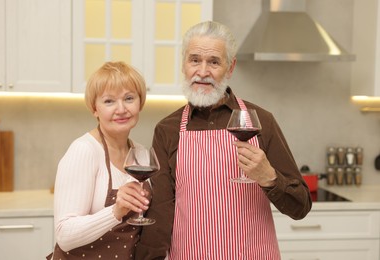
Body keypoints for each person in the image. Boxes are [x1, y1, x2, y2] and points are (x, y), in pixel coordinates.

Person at [135, 21, 312, 259]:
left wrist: (269, 177)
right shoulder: (168, 129)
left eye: (214, 62)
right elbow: (161, 210)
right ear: (184, 64)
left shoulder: (262, 122)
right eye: (195, 60)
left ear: (230, 68)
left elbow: (300, 207)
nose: (203, 71)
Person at [47, 61, 151, 259]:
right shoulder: (84, 151)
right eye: (109, 101)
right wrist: (116, 211)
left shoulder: (142, 154)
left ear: (141, 103)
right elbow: (65, 235)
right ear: (95, 108)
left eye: (129, 98)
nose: (121, 109)